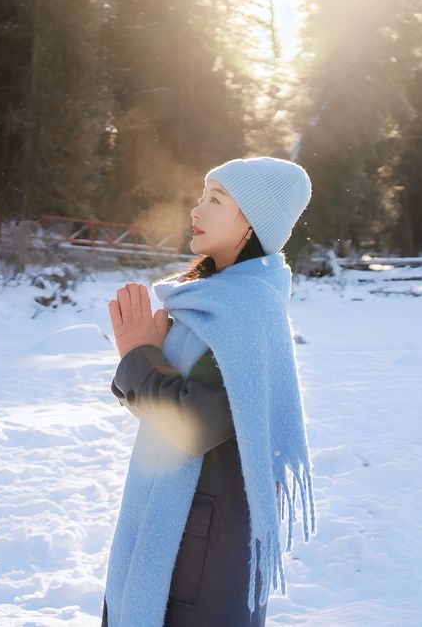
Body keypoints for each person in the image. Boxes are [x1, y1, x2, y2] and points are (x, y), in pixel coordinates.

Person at [100, 156, 317, 627]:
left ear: (251, 225)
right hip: (185, 524)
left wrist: (137, 354)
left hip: (205, 539)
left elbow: (196, 422)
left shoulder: (246, 309)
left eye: (216, 200)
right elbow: (175, 401)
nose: (196, 210)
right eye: (201, 196)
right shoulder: (212, 297)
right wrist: (144, 356)